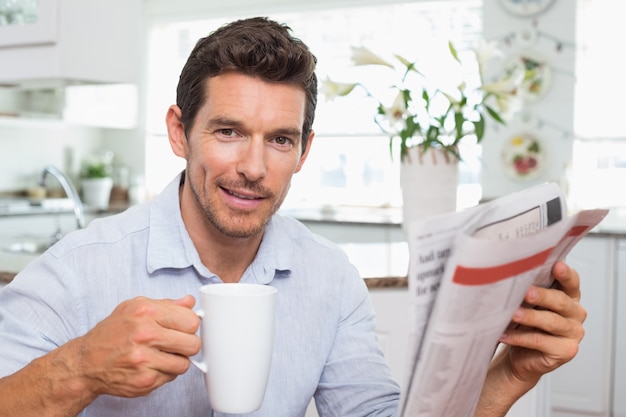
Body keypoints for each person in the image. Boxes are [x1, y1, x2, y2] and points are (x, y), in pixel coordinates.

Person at [0, 17, 586, 417]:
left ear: (303, 151)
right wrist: (81, 367)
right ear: (181, 132)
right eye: (228, 132)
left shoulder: (328, 277)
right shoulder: (76, 271)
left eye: (279, 140)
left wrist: (510, 376)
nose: (253, 167)